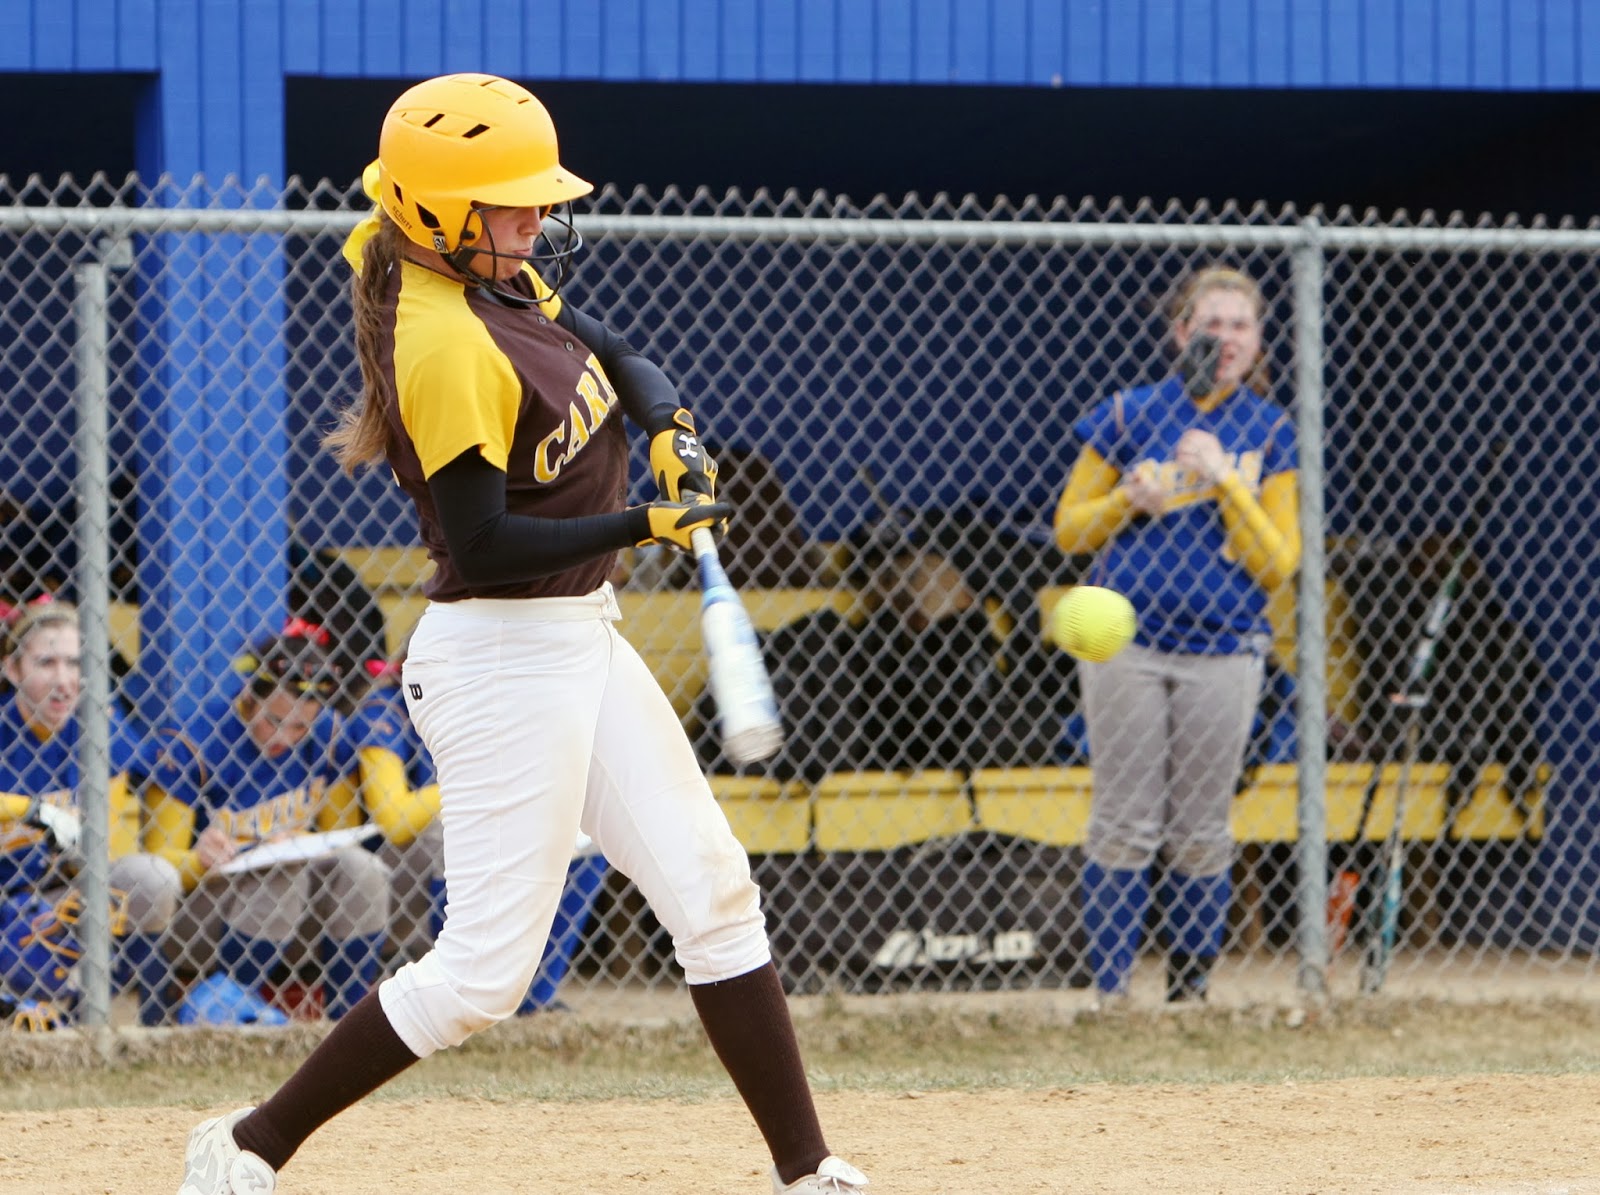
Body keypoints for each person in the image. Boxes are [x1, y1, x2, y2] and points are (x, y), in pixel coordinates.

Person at [177, 73, 868, 1195]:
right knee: (486, 972)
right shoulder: (444, 343)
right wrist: (648, 520)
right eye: (510, 205)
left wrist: (669, 429)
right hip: (498, 653)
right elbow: (484, 546)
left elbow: (609, 347)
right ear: (442, 216)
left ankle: (807, 1167)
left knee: (711, 885)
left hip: (579, 634)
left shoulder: (482, 268)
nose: (536, 222)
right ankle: (248, 1144)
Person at [1052, 265, 1300, 1006]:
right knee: (1124, 821)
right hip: (1128, 643)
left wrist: (1225, 481)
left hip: (1227, 646)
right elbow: (1069, 529)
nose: (1225, 339)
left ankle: (1190, 994)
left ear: (1259, 345)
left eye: (1241, 326)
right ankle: (1112, 995)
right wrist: (1128, 497)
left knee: (1201, 827)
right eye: (1211, 324)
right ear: (1181, 331)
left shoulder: (1270, 431)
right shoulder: (1129, 416)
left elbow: (1277, 564)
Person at [138, 623, 392, 1025]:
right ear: (249, 699)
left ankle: (350, 1023)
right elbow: (155, 864)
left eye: (300, 727)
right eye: (273, 721)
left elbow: (341, 835)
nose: (285, 738)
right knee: (282, 871)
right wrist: (199, 857)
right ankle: (225, 1009)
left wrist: (300, 839)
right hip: (202, 913)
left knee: (364, 870)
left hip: (292, 915)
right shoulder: (194, 740)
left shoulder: (328, 736)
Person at [695, 512, 1059, 780]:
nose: (896, 582)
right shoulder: (853, 640)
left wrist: (949, 618)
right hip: (869, 743)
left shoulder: (963, 633)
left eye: (911, 571)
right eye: (884, 574)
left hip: (940, 736)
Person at [0, 599, 183, 1027]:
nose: (64, 681)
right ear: (13, 670)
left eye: (75, 663)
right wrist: (31, 810)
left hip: (57, 897)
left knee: (151, 878)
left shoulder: (101, 727)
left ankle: (95, 1027)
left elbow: (107, 848)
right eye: (46, 663)